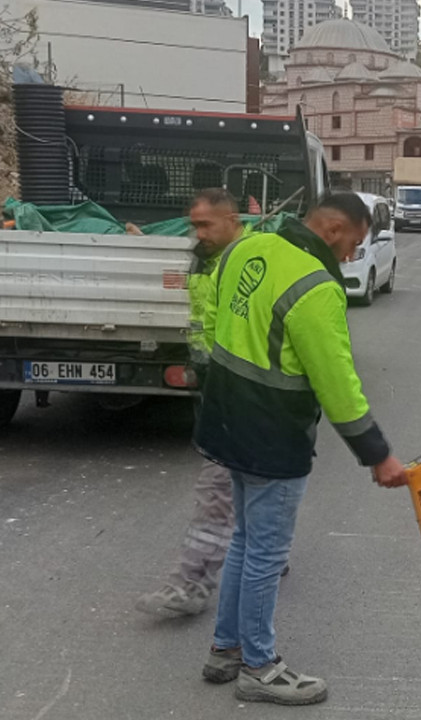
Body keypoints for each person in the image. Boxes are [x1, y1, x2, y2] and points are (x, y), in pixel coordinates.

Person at [196, 191, 408, 706]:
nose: (352, 256)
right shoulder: (314, 285)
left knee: (245, 542)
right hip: (272, 431)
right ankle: (259, 667)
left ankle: (226, 649)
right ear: (333, 229)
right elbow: (337, 383)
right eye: (354, 244)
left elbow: (222, 319)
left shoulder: (248, 248)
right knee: (266, 552)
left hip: (225, 415)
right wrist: (378, 455)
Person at [135, 188, 293, 618]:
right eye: (193, 225)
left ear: (232, 220)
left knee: (216, 493)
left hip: (243, 395)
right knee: (247, 490)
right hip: (218, 388)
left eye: (205, 225)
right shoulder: (205, 258)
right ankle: (268, 554)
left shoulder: (253, 263)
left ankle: (190, 585)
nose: (197, 232)